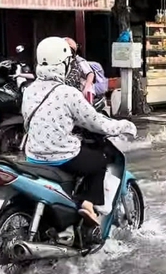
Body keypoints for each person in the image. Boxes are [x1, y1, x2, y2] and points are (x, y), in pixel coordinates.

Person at [22, 37, 137, 225]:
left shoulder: (29, 90)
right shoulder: (68, 93)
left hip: (32, 156)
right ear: (63, 64)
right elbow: (96, 123)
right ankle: (88, 205)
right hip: (60, 156)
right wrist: (124, 126)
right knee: (100, 160)